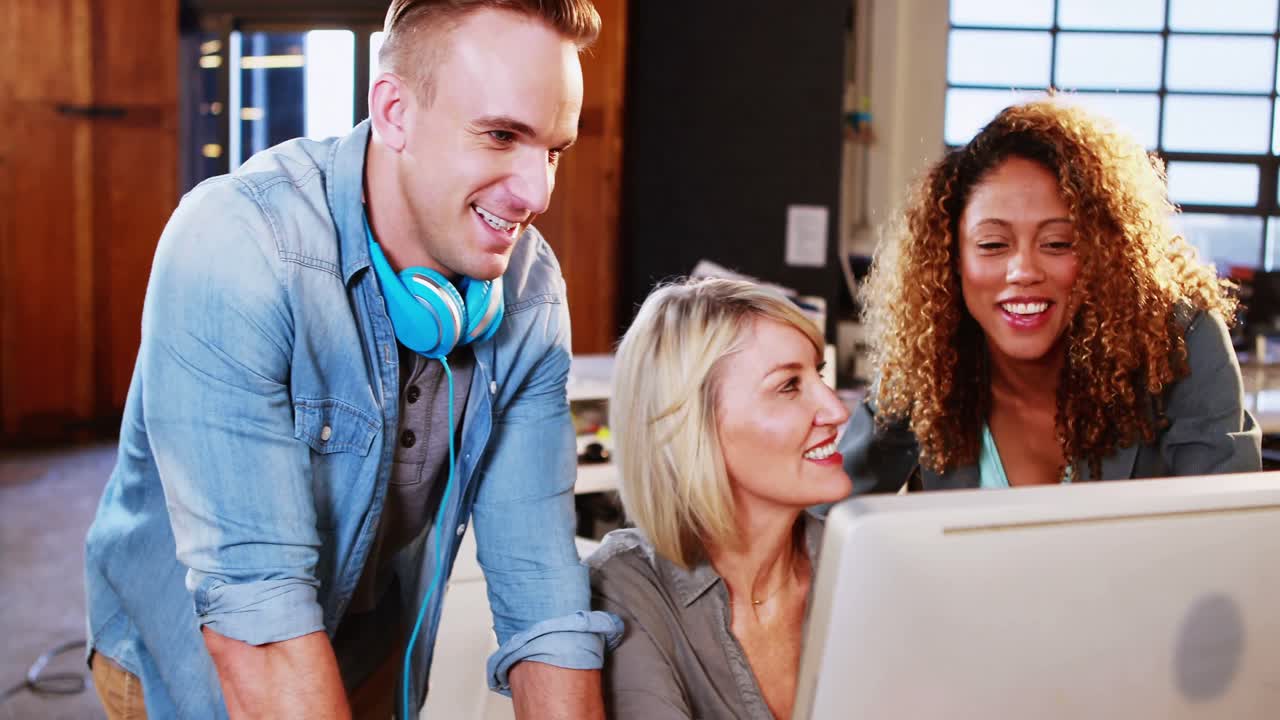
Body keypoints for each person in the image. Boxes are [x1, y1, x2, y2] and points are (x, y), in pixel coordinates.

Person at [82, 1, 621, 717]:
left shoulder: (527, 291)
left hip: (367, 648)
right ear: (394, 111)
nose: (538, 192)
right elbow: (259, 623)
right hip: (184, 660)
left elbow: (542, 588)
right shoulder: (235, 248)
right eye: (499, 135)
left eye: (554, 148)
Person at [840, 98, 1261, 494]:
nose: (1023, 271)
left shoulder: (1180, 343)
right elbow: (825, 511)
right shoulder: (929, 360)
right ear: (950, 259)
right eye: (992, 244)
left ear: (1104, 253)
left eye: (1058, 243)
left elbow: (1225, 537)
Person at [588, 278, 852, 719]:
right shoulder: (625, 591)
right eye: (789, 385)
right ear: (694, 423)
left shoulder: (862, 569)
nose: (836, 410)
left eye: (818, 374)